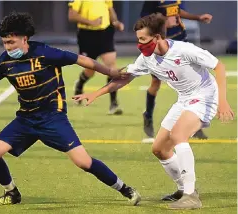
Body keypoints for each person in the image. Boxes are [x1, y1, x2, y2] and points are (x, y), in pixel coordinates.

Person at [0, 12, 141, 206]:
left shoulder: (45, 53)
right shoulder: (5, 62)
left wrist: (111, 72)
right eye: (5, 43)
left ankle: (125, 189)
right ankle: (12, 193)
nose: (8, 47)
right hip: (25, 119)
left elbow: (81, 60)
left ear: (25, 39)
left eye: (11, 42)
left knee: (83, 162)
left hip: (52, 118)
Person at [73, 13, 234, 209]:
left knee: (178, 136)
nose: (139, 44)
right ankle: (184, 188)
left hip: (205, 96)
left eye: (143, 39)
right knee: (159, 149)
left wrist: (223, 102)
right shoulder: (146, 58)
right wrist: (95, 94)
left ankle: (191, 197)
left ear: (157, 37)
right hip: (184, 99)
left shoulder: (184, 50)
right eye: (138, 39)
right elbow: (125, 78)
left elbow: (219, 66)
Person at [140, 0, 213, 139]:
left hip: (179, 39)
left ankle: (193, 124)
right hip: (161, 43)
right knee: (156, 83)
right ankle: (148, 116)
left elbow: (178, 11)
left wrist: (198, 17)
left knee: (191, 81)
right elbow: (143, 19)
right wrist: (161, 22)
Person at [68, 0, 125, 115]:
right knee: (90, 71)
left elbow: (109, 8)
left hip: (105, 33)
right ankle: (80, 84)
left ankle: (113, 104)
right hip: (87, 35)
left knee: (112, 67)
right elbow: (72, 15)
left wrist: (116, 22)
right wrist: (91, 22)